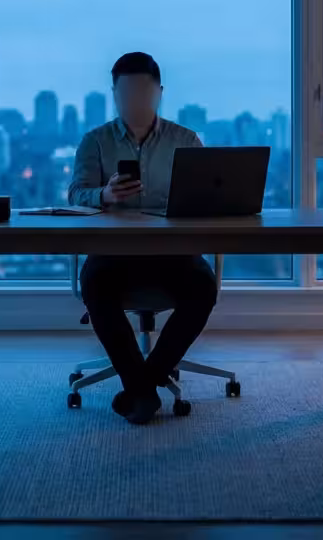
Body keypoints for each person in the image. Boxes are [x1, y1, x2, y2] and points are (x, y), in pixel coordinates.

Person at [67, 52, 218, 425]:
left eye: (144, 93)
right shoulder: (95, 142)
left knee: (203, 287)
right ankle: (144, 385)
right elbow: (75, 194)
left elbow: (204, 198)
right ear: (115, 95)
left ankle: (140, 387)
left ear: (159, 94)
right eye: (127, 93)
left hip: (173, 254)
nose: (135, 101)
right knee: (95, 284)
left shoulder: (186, 140)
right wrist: (104, 195)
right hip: (114, 254)